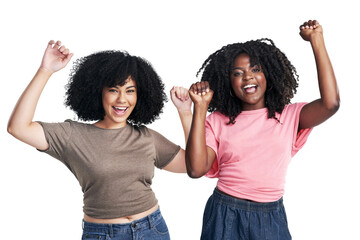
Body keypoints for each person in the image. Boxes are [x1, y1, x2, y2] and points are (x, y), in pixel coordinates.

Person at [7, 40, 191, 240]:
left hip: (152, 228)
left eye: (130, 91)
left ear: (139, 96)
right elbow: (18, 127)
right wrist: (45, 70)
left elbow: (194, 165)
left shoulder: (147, 137)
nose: (122, 99)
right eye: (113, 90)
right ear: (99, 92)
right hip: (103, 234)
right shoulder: (73, 135)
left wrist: (185, 113)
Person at [182, 20, 340, 239]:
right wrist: (200, 107)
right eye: (237, 73)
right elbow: (196, 169)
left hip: (270, 216)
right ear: (228, 81)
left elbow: (330, 104)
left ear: (268, 75)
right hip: (225, 212)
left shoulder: (289, 115)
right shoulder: (216, 121)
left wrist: (317, 41)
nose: (248, 76)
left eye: (255, 69)